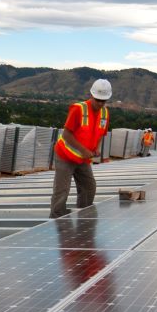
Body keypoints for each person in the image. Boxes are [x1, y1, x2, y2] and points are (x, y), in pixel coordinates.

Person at [49, 78, 112, 218]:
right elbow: (66, 134)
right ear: (92, 95)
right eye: (98, 100)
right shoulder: (78, 109)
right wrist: (84, 150)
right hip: (66, 155)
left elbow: (101, 133)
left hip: (83, 159)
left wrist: (96, 148)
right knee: (62, 191)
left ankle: (83, 216)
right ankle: (56, 220)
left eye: (104, 101)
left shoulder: (105, 113)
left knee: (89, 187)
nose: (100, 103)